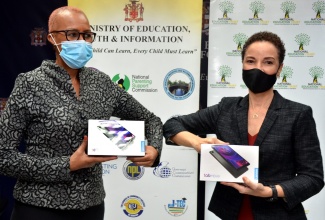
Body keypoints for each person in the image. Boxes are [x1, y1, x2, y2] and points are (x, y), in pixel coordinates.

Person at [0, 6, 163, 220]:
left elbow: (151, 119)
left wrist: (154, 150)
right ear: (51, 38)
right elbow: (4, 157)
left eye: (87, 35)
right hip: (39, 207)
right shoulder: (30, 83)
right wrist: (68, 165)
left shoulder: (102, 83)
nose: (82, 41)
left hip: (92, 208)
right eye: (72, 34)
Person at [163, 31, 324, 219]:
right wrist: (197, 143)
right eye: (251, 61)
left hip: (279, 214)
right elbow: (172, 125)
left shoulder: (298, 114)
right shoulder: (227, 108)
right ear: (242, 64)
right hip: (231, 213)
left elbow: (313, 178)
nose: (258, 68)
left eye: (268, 62)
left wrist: (269, 191)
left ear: (280, 69)